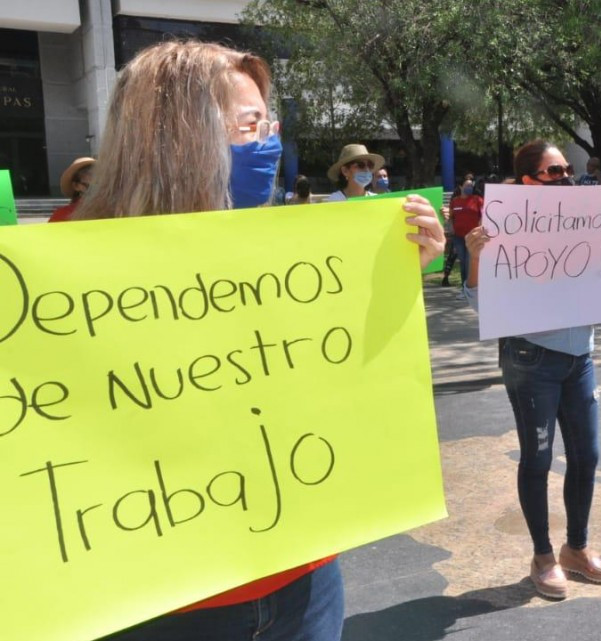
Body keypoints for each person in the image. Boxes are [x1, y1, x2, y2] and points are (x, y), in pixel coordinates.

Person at [72, 40, 443, 641]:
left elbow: (344, 380)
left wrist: (399, 277)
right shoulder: (63, 287)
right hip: (157, 605)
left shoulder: (295, 259)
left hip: (305, 581)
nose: (268, 142)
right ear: (177, 136)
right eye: (250, 125)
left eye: (268, 123)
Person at [461, 139, 601, 600]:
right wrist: (477, 257)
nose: (566, 177)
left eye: (567, 169)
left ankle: (575, 549)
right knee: (539, 459)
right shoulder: (504, 226)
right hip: (530, 359)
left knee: (588, 455)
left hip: (580, 355)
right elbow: (479, 302)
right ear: (528, 180)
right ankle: (543, 556)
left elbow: (599, 275)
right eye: (554, 171)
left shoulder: (585, 218)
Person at [449, 178, 483, 288]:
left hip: (472, 237)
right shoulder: (455, 201)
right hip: (458, 237)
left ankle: (469, 287)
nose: (470, 188)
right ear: (460, 187)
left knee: (469, 262)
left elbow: (483, 215)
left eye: (471, 185)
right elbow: (450, 217)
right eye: (467, 185)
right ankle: (464, 287)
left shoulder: (477, 199)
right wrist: (451, 227)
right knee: (463, 262)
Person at [48, 157, 95, 222]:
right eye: (89, 186)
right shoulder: (62, 214)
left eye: (101, 185)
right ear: (76, 186)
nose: (96, 191)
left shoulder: (110, 211)